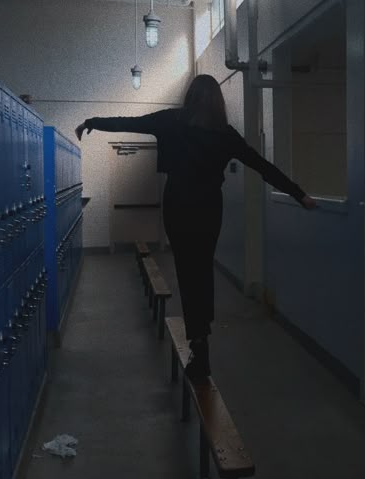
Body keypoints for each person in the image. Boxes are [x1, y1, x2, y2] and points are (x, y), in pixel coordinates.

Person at [76, 74, 316, 381]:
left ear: (190, 96)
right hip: (208, 206)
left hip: (178, 203)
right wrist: (300, 194)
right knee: (202, 270)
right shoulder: (224, 133)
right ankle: (202, 339)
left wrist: (92, 121)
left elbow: (129, 122)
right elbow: (262, 166)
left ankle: (198, 341)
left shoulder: (171, 121)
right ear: (218, 100)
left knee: (187, 271)